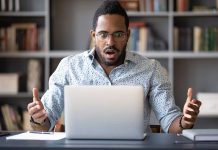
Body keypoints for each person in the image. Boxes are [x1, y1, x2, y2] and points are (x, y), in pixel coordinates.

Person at [27, 0, 201, 133]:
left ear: (127, 35)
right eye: (103, 34)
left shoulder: (151, 69)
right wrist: (38, 118)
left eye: (118, 34)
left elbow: (170, 121)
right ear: (94, 35)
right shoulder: (69, 67)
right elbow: (44, 124)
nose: (110, 42)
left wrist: (185, 121)